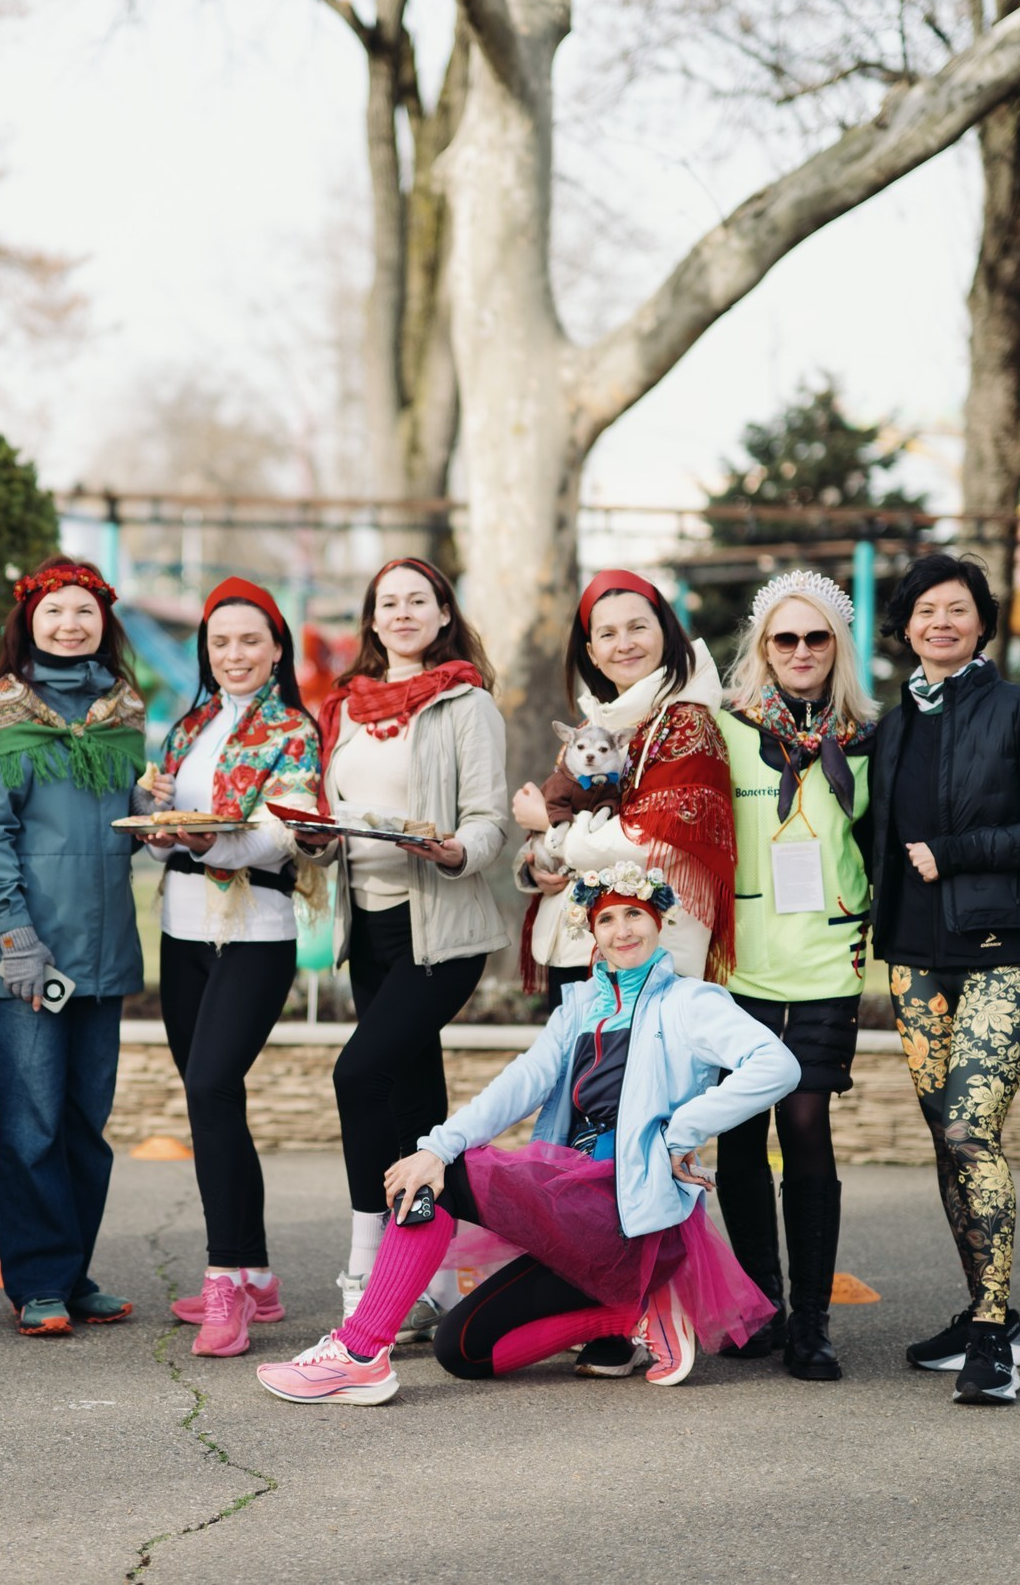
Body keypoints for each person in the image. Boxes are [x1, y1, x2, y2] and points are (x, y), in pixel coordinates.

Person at [253, 863, 796, 1405]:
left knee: (443, 1176)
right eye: (608, 920)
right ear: (592, 931)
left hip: (630, 1209)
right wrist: (437, 1143)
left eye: (636, 915)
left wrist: (680, 1132)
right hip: (573, 1208)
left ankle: (359, 1355)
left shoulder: (689, 1003)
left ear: (658, 923)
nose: (623, 930)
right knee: (460, 1351)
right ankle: (631, 1309)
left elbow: (776, 1065)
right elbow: (521, 1083)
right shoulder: (580, 1007)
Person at [866, 553, 1020, 1405]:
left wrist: (955, 854)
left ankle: (994, 1330)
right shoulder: (892, 727)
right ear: (905, 626)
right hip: (915, 957)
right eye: (925, 610)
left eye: (957, 608)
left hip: (1002, 949)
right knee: (941, 1134)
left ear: (982, 621)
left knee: (969, 1129)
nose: (940, 622)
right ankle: (982, 1305)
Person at [290, 557, 507, 1344]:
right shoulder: (343, 708)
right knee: (415, 1100)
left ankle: (367, 1266)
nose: (405, 612)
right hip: (371, 929)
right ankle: (439, 1281)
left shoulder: (465, 700)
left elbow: (490, 819)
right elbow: (330, 823)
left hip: (440, 929)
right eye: (390, 602)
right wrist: (312, 840)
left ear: (443, 613)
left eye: (420, 599)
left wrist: (455, 850)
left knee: (359, 1073)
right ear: (372, 620)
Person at [0, 555, 149, 1337]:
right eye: (54, 612)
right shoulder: (6, 709)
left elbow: (122, 832)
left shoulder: (125, 711)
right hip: (26, 956)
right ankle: (35, 1278)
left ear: (104, 622)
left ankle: (72, 1273)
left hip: (103, 953)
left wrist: (148, 803)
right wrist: (17, 937)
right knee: (31, 1122)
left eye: (84, 611)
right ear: (28, 623)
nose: (70, 624)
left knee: (83, 1124)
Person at [136, 576, 321, 1357]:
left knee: (211, 1084)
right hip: (183, 927)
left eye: (251, 640)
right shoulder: (191, 723)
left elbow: (287, 829)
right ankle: (259, 1275)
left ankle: (225, 1286)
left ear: (276, 647)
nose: (235, 654)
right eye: (221, 642)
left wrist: (214, 841)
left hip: (256, 926)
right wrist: (156, 821)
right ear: (206, 653)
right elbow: (169, 817)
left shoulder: (294, 728)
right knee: (215, 1099)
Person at [711, 570, 878, 1381]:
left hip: (825, 961)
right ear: (763, 647)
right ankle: (758, 1307)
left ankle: (811, 1321)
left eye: (817, 638)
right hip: (738, 962)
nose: (802, 651)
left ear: (837, 646)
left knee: (805, 1123)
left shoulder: (874, 733)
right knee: (739, 1133)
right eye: (787, 638)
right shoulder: (725, 727)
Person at [513, 569, 736, 988]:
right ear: (593, 653)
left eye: (638, 627)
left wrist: (549, 824)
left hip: (646, 955)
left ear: (667, 636)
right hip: (578, 945)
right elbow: (569, 820)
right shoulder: (594, 725)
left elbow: (656, 839)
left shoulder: (688, 723)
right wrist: (538, 864)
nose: (625, 644)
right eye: (608, 634)